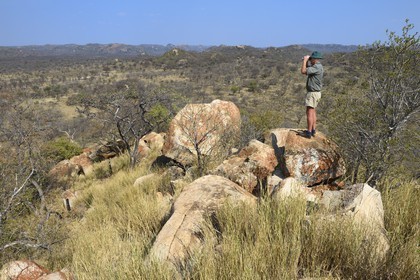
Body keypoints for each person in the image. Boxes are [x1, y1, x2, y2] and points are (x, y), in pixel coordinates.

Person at [300, 51, 324, 139]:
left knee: (309, 112)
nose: (310, 60)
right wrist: (307, 62)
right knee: (313, 111)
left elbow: (303, 71)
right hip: (316, 93)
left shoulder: (317, 67)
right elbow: (308, 70)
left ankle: (309, 132)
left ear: (315, 59)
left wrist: (305, 60)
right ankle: (313, 130)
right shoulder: (317, 66)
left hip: (313, 93)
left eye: (311, 59)